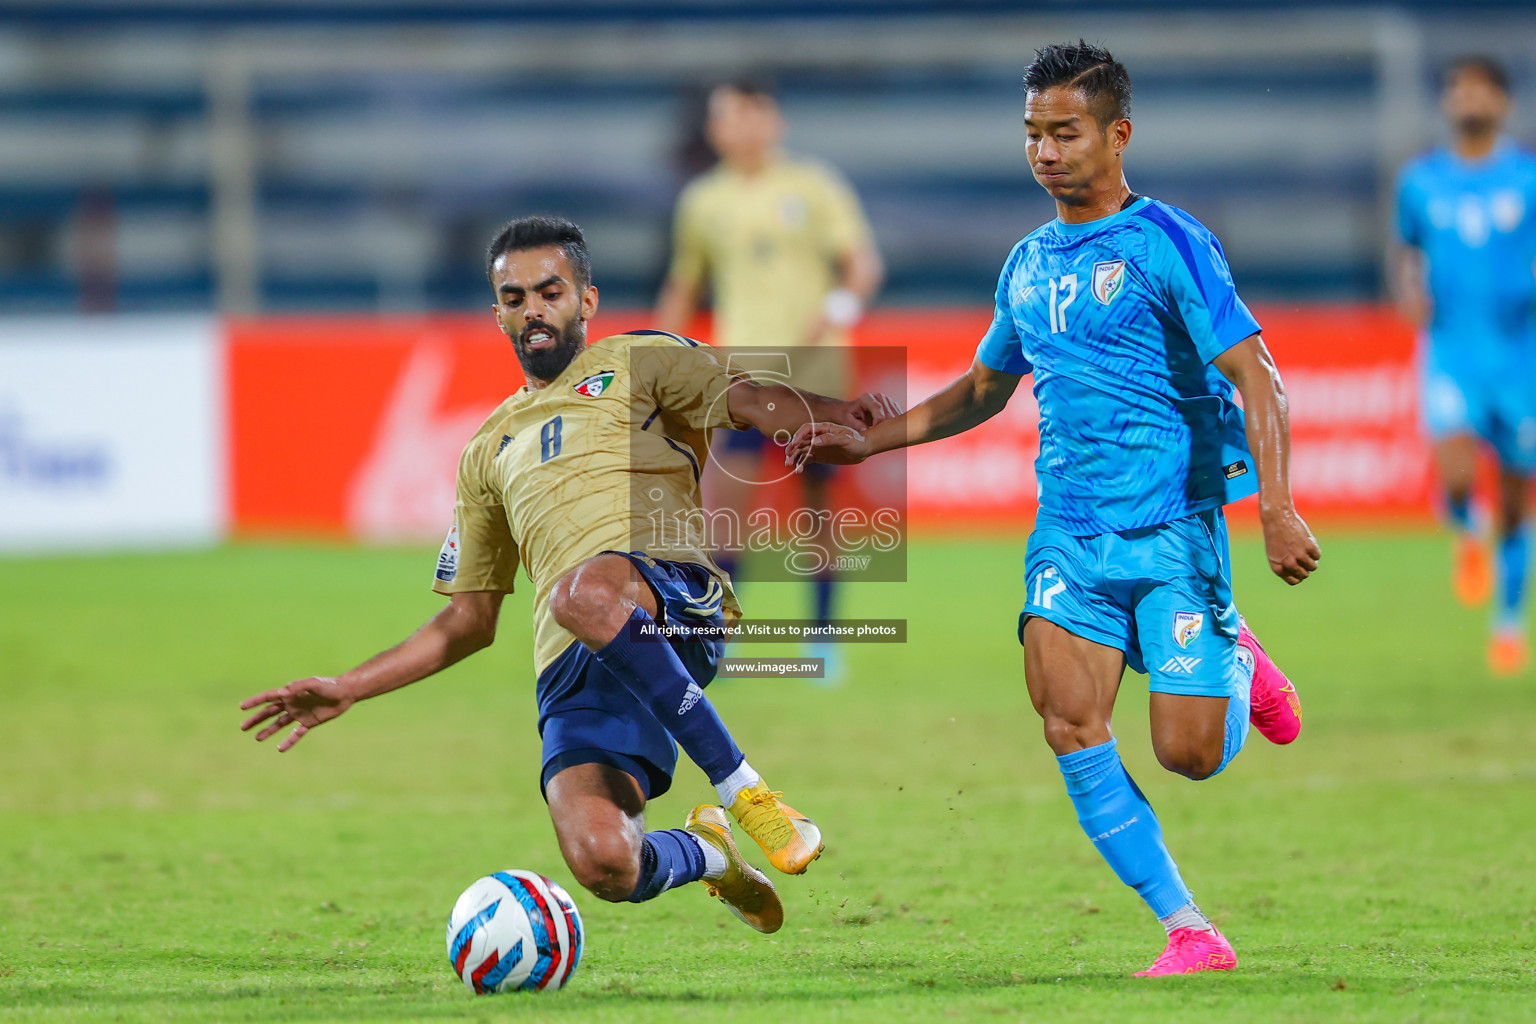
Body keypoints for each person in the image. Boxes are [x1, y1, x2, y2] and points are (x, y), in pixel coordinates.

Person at [787, 42, 1319, 976]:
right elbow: (986, 388)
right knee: (1070, 724)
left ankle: (1232, 652)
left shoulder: (1169, 242)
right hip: (1068, 539)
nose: (1044, 151)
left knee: (1187, 755)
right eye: (1032, 133)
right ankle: (1189, 928)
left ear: (1117, 135)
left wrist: (1276, 507)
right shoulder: (1028, 264)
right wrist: (869, 439)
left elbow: (1256, 374)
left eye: (1064, 132)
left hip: (1171, 529)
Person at [240, 216, 898, 936]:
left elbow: (751, 399)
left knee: (583, 592)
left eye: (549, 292)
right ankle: (710, 852)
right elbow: (469, 620)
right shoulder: (486, 449)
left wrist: (834, 414)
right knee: (604, 865)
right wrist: (347, 687)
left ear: (585, 299)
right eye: (514, 298)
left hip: (672, 600)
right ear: (497, 314)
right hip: (574, 668)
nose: (533, 310)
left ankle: (746, 791)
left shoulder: (641, 359)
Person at [655, 79, 884, 674]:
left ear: (771, 120)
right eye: (726, 118)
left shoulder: (813, 185)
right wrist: (657, 354)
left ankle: (823, 642)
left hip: (816, 374)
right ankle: (718, 639)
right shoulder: (704, 201)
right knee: (723, 507)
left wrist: (835, 311)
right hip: (744, 378)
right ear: (714, 130)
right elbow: (685, 284)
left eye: (749, 115)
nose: (739, 128)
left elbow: (862, 265)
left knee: (817, 507)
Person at [1393, 55, 1536, 675]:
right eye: (1460, 89)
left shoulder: (1527, 179)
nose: (1470, 99)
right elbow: (1407, 251)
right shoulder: (1421, 182)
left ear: (1502, 103)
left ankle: (1507, 624)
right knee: (1454, 474)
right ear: (1448, 103)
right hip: (1452, 351)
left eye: (1482, 89)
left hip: (1520, 357)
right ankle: (1463, 525)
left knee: (1514, 499)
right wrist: (1408, 291)